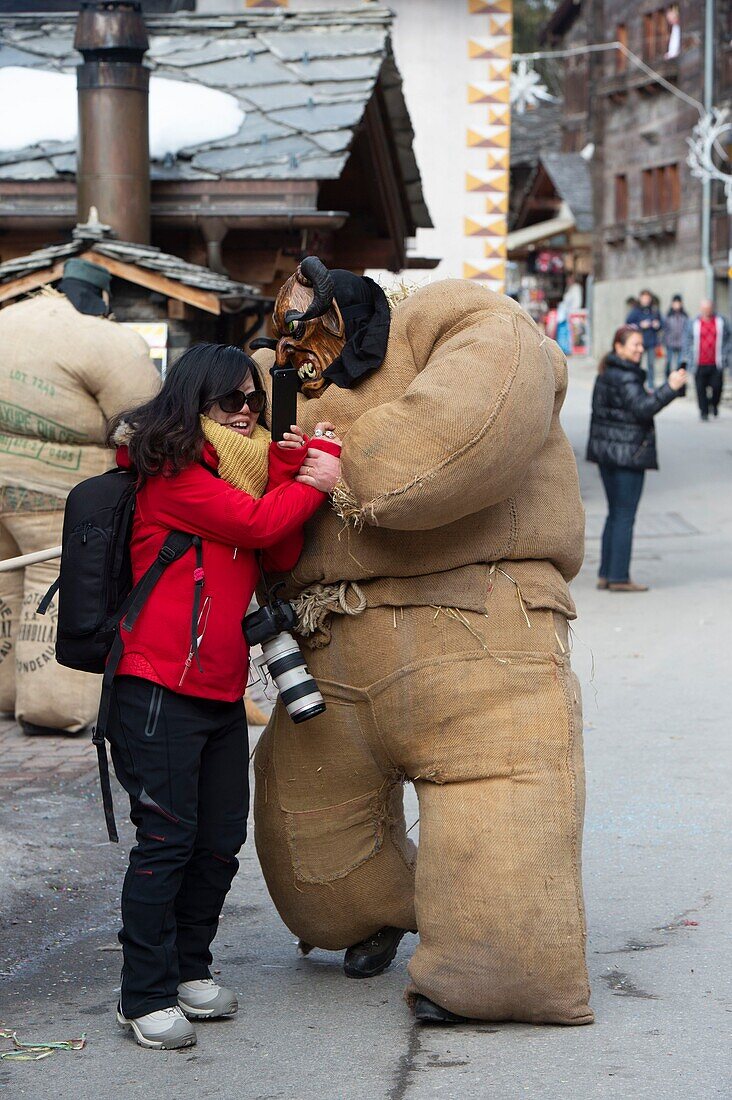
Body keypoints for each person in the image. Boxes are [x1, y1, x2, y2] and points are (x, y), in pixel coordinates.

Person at [251, 258, 593, 1027]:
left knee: (499, 809)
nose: (298, 337)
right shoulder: (282, 381)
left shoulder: (460, 318)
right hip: (326, 644)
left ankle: (485, 964)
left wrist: (349, 464)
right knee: (312, 871)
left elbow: (451, 438)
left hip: (477, 625)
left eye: (311, 317)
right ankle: (385, 910)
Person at [106, 343, 341, 1049]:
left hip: (216, 688)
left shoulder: (234, 474)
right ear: (193, 404)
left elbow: (276, 554)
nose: (246, 414)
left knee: (217, 843)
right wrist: (318, 479)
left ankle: (188, 971)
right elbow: (260, 525)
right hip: (155, 685)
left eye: (253, 402)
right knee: (166, 844)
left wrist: (279, 471)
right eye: (229, 402)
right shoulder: (170, 476)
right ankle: (142, 995)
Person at [0, 258, 158, 736]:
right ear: (102, 299)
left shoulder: (6, 320)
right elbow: (144, 419)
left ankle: (6, 694)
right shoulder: (104, 340)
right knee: (52, 586)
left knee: (4, 589)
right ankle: (51, 705)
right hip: (57, 492)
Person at [587, 325, 686, 592]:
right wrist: (670, 388)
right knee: (623, 515)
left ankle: (607, 573)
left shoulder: (608, 372)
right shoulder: (626, 376)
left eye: (642, 345)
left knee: (615, 514)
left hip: (609, 454)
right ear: (619, 347)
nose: (640, 349)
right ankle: (619, 577)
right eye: (635, 345)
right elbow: (643, 409)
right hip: (627, 455)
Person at [682, 299, 730, 421]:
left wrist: (727, 352)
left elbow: (729, 336)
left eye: (708, 308)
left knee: (717, 386)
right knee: (700, 389)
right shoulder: (694, 322)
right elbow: (687, 339)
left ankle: (714, 404)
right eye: (704, 308)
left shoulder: (721, 321)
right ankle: (703, 412)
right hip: (699, 362)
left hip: (716, 361)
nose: (706, 311)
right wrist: (688, 355)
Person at [626, 289, 663, 387]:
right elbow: (628, 324)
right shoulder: (635, 311)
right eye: (644, 298)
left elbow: (661, 323)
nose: (646, 300)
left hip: (651, 342)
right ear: (640, 298)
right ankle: (637, 383)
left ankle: (651, 384)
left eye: (648, 298)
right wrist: (640, 325)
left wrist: (657, 325)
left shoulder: (654, 310)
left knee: (651, 365)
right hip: (639, 343)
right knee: (637, 363)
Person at [664, 294, 690, 378]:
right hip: (670, 343)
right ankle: (667, 379)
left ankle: (678, 381)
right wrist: (666, 341)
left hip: (681, 344)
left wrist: (686, 342)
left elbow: (687, 330)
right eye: (675, 303)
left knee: (680, 364)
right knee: (669, 363)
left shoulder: (685, 316)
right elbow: (665, 330)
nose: (676, 305)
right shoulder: (668, 316)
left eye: (678, 303)